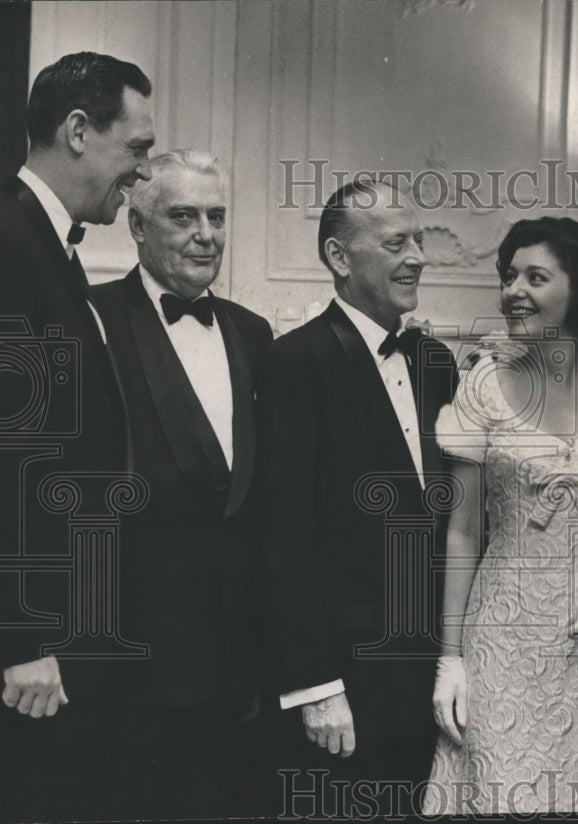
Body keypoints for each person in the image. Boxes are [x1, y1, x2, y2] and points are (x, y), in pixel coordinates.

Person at [424, 217, 578, 815]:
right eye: (509, 276)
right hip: (498, 639)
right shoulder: (484, 384)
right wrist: (449, 659)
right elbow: (461, 530)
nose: (514, 291)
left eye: (536, 277)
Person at [256, 180, 458, 817]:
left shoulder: (436, 361)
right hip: (345, 681)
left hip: (430, 672)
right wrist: (316, 685)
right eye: (397, 242)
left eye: (419, 240)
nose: (418, 257)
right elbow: (282, 539)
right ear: (340, 258)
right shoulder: (294, 362)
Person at [89, 149, 272, 818]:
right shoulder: (93, 320)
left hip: (242, 668)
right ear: (138, 226)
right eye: (184, 216)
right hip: (134, 665)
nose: (206, 234)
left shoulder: (255, 335)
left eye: (217, 216)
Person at [0, 51, 154, 822]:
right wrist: (21, 638)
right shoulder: (10, 244)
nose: (142, 175)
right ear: (79, 131)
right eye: (138, 150)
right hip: (32, 654)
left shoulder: (44, 247)